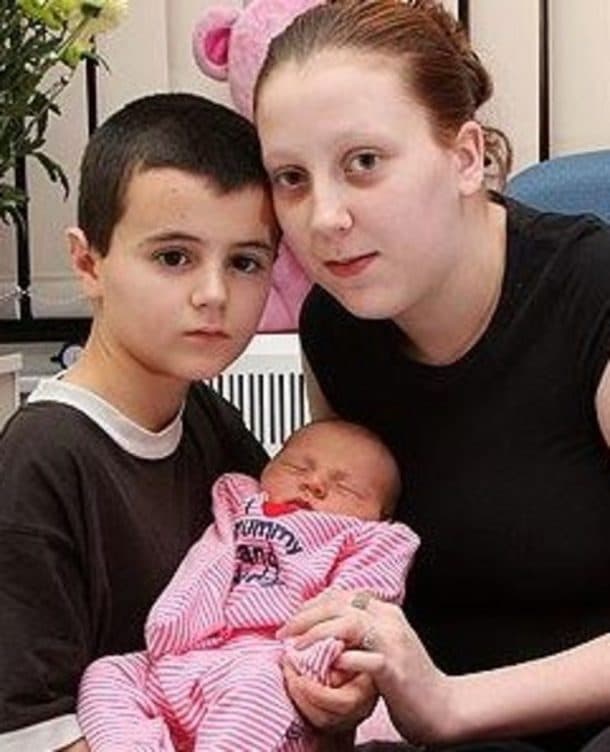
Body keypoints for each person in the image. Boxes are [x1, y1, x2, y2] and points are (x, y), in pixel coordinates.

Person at [248, 0, 608, 750]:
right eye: (292, 178)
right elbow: (349, 552)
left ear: (466, 156)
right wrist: (342, 680)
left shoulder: (591, 292)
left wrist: (450, 705)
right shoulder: (335, 329)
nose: (325, 218)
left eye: (364, 163)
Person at [0, 92, 278, 751]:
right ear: (87, 263)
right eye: (173, 257)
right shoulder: (41, 460)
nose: (213, 294)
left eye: (245, 262)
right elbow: (31, 731)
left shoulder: (206, 417)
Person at [76, 418, 420, 751]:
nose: (314, 483)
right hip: (195, 655)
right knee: (107, 674)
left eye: (345, 488)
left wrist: (316, 662)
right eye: (297, 468)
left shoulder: (369, 539)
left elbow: (359, 603)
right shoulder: (241, 504)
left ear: (381, 516)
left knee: (257, 692)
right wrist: (176, 623)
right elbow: (210, 556)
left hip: (275, 665)